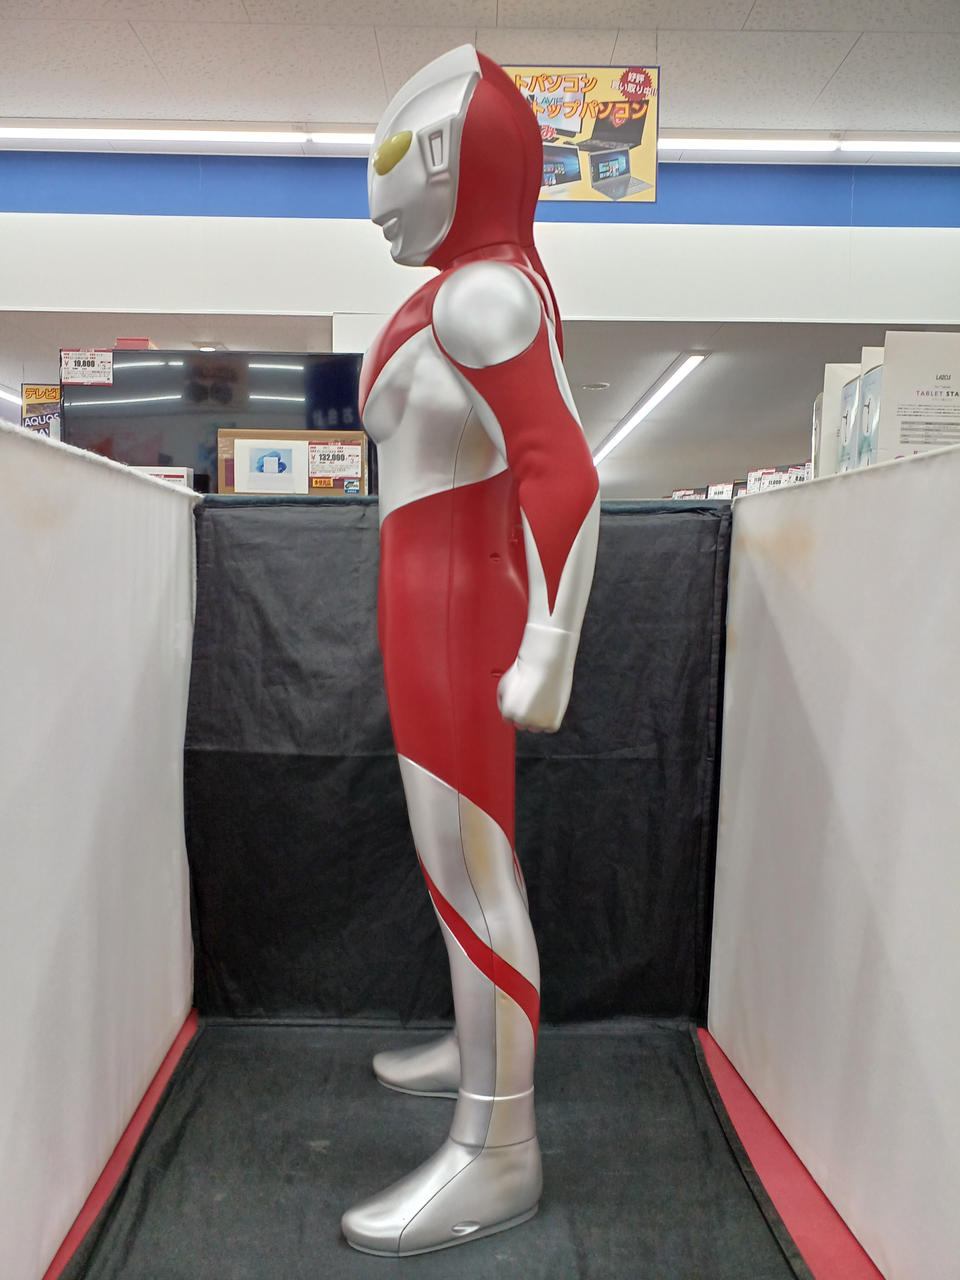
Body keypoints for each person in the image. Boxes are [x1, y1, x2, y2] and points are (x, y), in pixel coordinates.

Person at [342, 44, 599, 1257]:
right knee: (464, 866)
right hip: (431, 609)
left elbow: (567, 474)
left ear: (449, 154)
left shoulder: (483, 297)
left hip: (457, 618)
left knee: (469, 869)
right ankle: (479, 1041)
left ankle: (498, 1146)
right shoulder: (471, 289)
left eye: (397, 153)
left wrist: (552, 640)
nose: (379, 188)